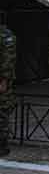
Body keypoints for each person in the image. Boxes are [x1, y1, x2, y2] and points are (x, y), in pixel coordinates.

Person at [0, 20, 16, 157]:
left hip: (2, 80)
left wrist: (4, 79)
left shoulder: (5, 35)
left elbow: (8, 59)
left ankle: (2, 145)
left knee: (2, 111)